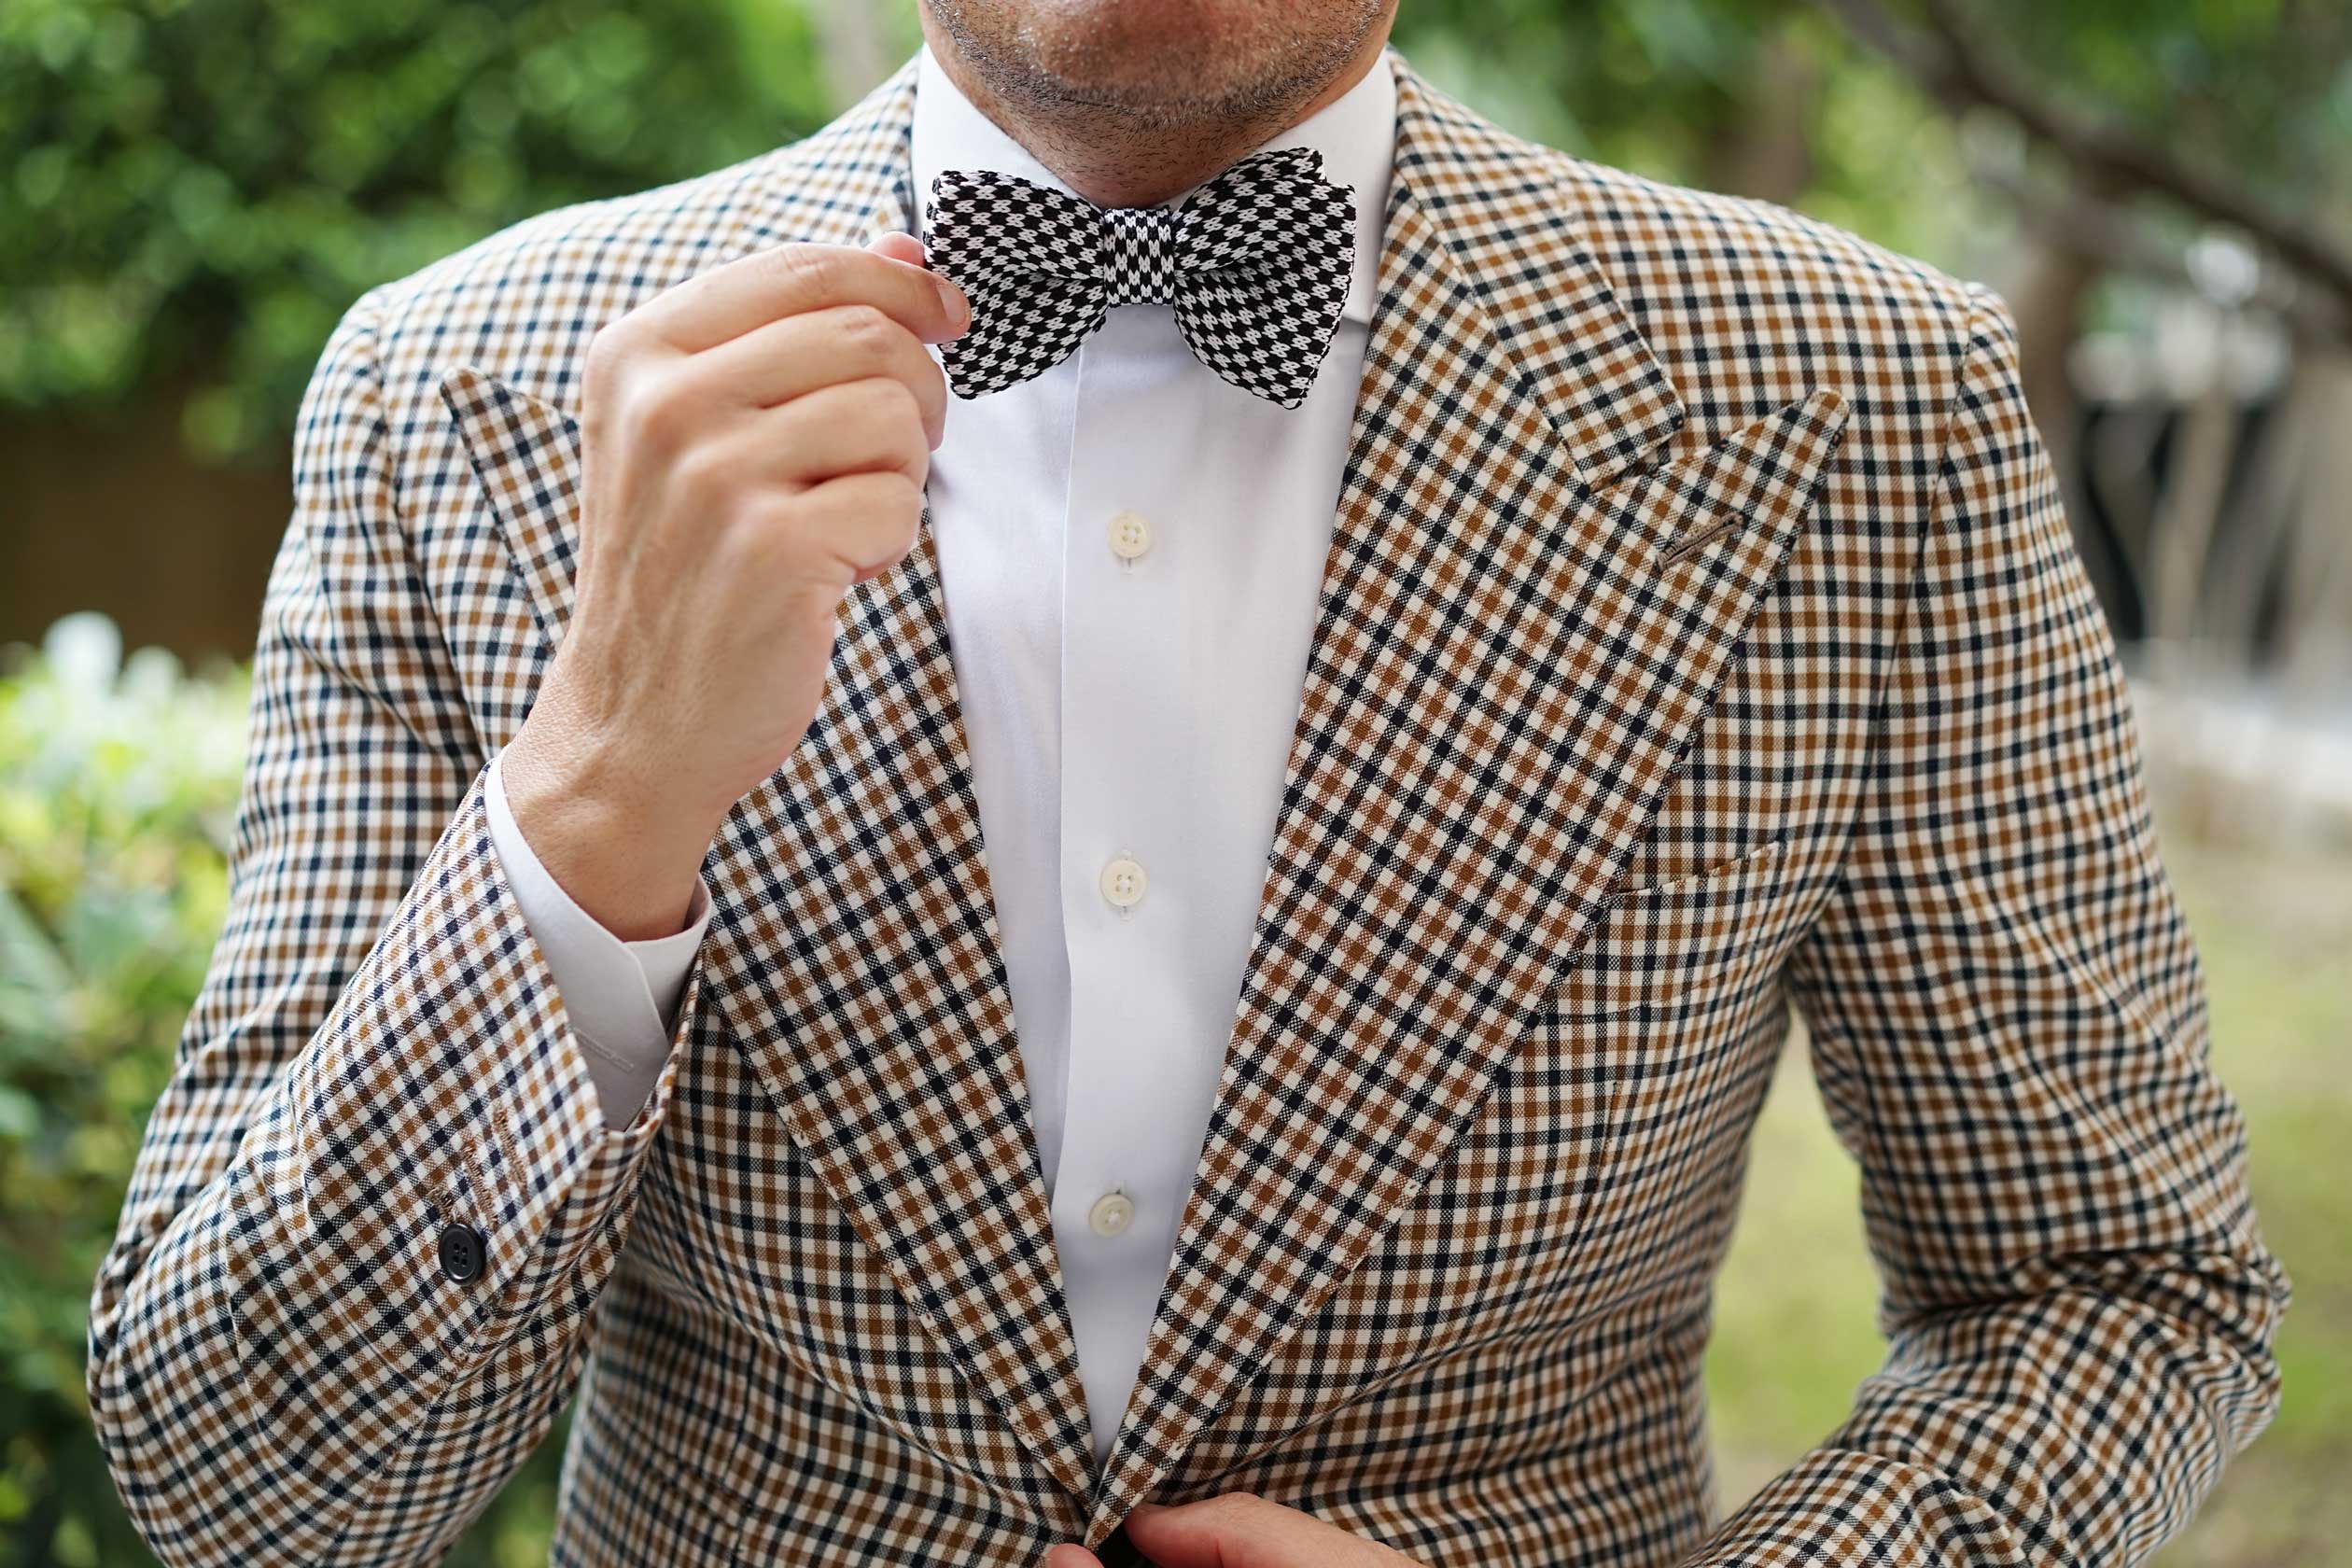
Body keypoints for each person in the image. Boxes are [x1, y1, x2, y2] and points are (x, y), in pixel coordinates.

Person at [90, 1, 2289, 1563]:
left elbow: (2118, 1294)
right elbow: (249, 1489)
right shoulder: (451, 397)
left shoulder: (1855, 403)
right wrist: (593, 801)